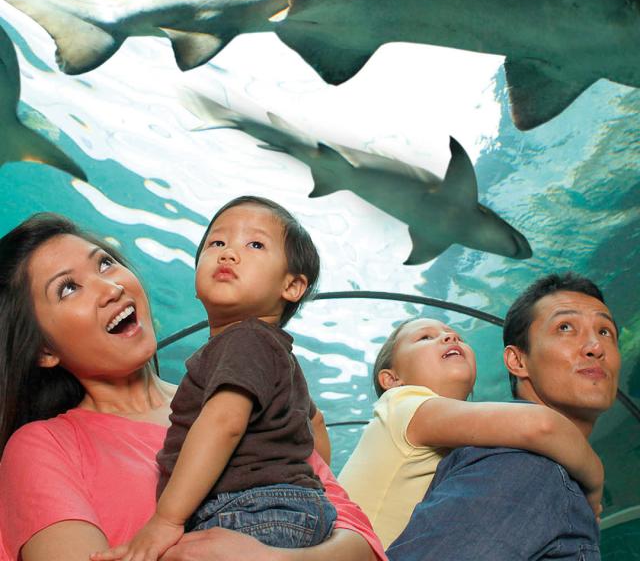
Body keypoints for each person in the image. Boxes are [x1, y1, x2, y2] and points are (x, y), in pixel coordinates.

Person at [0, 212, 386, 561]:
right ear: (44, 349)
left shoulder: (251, 392)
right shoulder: (42, 447)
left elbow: (361, 543)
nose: (110, 288)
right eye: (68, 288)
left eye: (105, 263)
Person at [93, 195, 336, 561]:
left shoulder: (244, 339)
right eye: (217, 243)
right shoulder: (272, 351)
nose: (228, 254)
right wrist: (309, 485)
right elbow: (314, 421)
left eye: (254, 244)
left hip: (255, 509)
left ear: (292, 286)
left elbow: (224, 422)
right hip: (285, 508)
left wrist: (165, 519)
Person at [386, 273, 620, 560]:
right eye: (565, 327)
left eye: (606, 331)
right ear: (517, 360)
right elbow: (540, 427)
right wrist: (595, 479)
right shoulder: (526, 464)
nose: (596, 347)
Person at [338, 316, 604, 549]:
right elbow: (542, 426)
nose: (449, 336)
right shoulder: (400, 404)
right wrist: (593, 486)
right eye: (425, 337)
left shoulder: (458, 445)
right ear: (392, 379)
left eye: (456, 335)